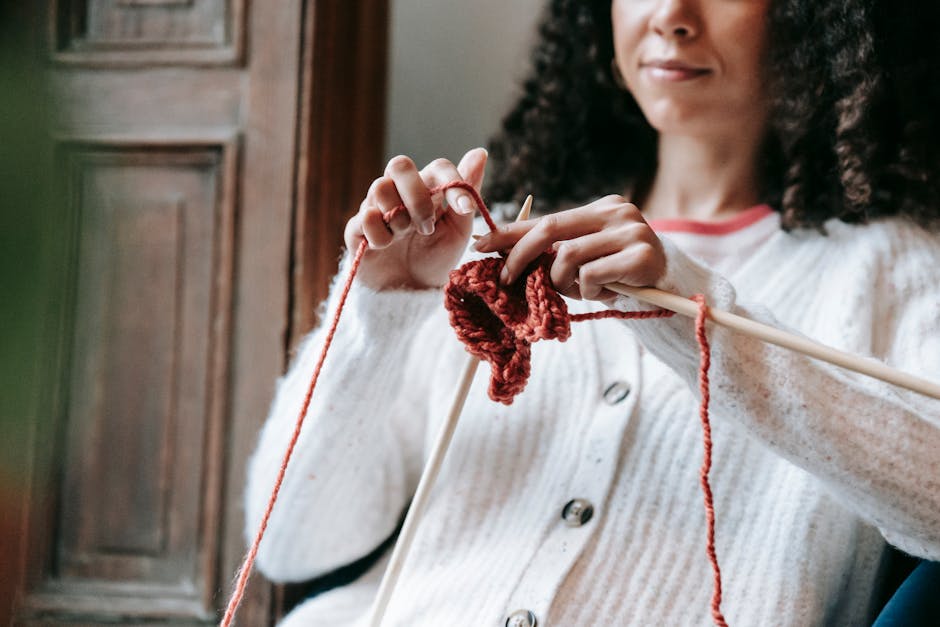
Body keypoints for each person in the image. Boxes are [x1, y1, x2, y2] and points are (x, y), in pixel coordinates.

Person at [245, 0, 940, 624]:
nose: (671, 14)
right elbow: (292, 544)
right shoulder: (483, 250)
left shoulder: (889, 268)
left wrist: (690, 310)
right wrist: (380, 310)